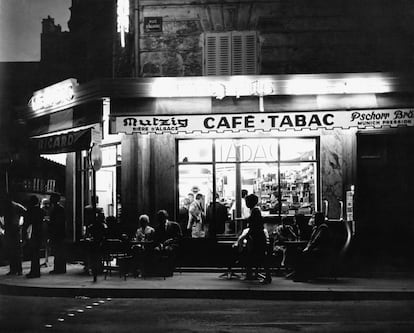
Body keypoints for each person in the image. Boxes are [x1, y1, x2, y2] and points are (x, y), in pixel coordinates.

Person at [288, 211, 332, 282]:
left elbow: (316, 241)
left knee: (303, 255)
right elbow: (311, 241)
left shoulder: (323, 228)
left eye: (314, 218)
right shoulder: (316, 228)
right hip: (315, 249)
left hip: (321, 250)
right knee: (298, 253)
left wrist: (308, 248)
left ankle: (302, 275)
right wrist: (307, 247)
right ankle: (299, 274)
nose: (312, 220)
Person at [233, 207, 272, 284]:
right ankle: (267, 276)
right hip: (261, 240)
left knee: (249, 258)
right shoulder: (261, 221)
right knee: (262, 258)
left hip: (254, 242)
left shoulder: (252, 221)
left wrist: (243, 239)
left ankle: (249, 274)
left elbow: (250, 231)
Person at [0, 193, 26, 276]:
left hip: (13, 229)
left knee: (15, 251)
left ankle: (17, 269)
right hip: (11, 229)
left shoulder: (13, 206)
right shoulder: (10, 206)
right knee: (13, 250)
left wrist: (20, 222)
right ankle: (15, 269)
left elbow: (25, 212)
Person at [152, 210, 182, 276]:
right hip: (162, 245)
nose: (160, 220)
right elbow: (156, 239)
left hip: (173, 244)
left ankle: (169, 270)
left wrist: (170, 240)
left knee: (168, 249)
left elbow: (179, 237)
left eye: (161, 218)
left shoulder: (174, 225)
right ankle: (159, 270)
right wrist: (159, 244)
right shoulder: (158, 227)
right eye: (159, 218)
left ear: (165, 217)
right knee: (156, 250)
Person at [23, 196, 45, 278]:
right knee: (36, 253)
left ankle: (34, 272)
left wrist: (24, 234)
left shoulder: (30, 211)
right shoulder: (41, 211)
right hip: (39, 233)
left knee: (33, 253)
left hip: (32, 233)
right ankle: (36, 271)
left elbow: (26, 223)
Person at [86, 211, 107, 282]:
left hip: (97, 245)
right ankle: (97, 267)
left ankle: (92, 268)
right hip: (101, 246)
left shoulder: (93, 226)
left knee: (92, 253)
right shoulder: (103, 226)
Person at [48, 193, 66, 274]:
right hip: (59, 232)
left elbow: (57, 222)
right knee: (58, 251)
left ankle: (59, 268)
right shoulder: (59, 208)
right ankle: (60, 268)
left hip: (57, 232)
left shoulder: (57, 209)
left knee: (58, 251)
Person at [40, 198, 51, 267]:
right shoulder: (48, 210)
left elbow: (47, 218)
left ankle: (46, 260)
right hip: (46, 228)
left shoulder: (43, 210)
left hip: (45, 228)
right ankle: (46, 260)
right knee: (46, 245)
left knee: (46, 244)